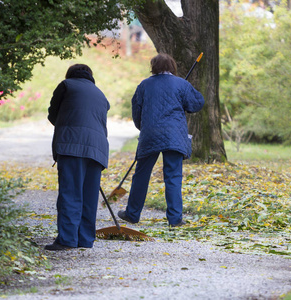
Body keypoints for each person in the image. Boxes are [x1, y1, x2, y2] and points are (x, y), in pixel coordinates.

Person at [117, 53, 204, 227]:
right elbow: (197, 103)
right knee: (173, 176)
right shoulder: (182, 84)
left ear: (153, 67)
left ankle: (132, 214)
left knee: (141, 174)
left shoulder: (144, 85)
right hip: (175, 135)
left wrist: (143, 127)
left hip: (150, 134)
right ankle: (175, 219)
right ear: (172, 67)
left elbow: (137, 112)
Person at [45, 64, 110, 251]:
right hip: (97, 149)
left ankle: (67, 240)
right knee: (89, 197)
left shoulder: (66, 85)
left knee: (71, 193)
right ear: (90, 76)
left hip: (72, 146)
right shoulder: (101, 94)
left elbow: (53, 115)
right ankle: (85, 239)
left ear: (70, 74)